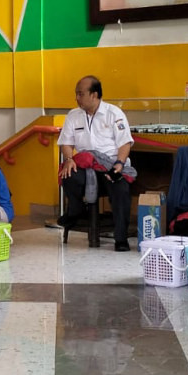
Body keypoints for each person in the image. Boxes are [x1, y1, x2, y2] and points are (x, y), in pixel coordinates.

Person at [57, 75, 135, 251]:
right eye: (76, 94)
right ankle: (76, 212)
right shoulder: (73, 115)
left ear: (94, 95)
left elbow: (125, 143)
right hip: (86, 167)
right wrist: (69, 159)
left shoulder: (114, 114)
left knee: (121, 189)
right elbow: (66, 143)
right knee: (68, 175)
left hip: (110, 166)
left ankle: (121, 239)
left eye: (80, 94)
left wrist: (119, 165)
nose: (77, 98)